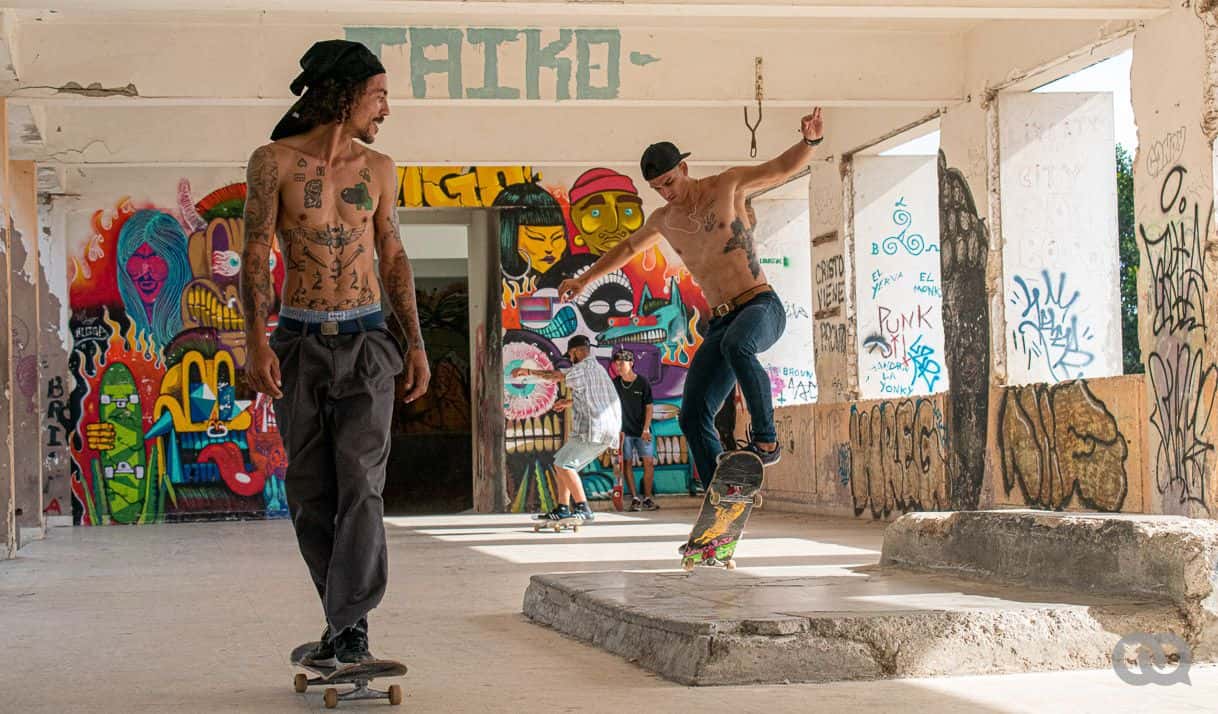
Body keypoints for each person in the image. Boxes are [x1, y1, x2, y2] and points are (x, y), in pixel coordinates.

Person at [239, 39, 429, 668]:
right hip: (298, 343)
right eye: (379, 96)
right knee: (310, 492)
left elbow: (394, 256)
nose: (386, 110)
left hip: (369, 341)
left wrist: (417, 345)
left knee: (363, 486)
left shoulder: (379, 167)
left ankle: (352, 630)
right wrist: (257, 342)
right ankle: (340, 623)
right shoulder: (273, 163)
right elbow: (254, 256)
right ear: (345, 96)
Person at [558, 108, 824, 490]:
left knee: (739, 345)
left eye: (669, 182)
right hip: (721, 322)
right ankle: (722, 489)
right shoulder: (663, 220)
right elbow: (627, 248)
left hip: (760, 305)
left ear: (683, 168)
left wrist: (810, 142)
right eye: (657, 189)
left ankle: (767, 439)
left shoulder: (726, 185)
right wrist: (584, 279)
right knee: (692, 412)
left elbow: (779, 168)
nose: (667, 193)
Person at [511, 335, 620, 522]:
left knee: (565, 465)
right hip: (605, 428)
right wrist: (568, 402)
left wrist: (526, 371)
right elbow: (596, 397)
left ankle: (583, 508)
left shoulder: (583, 368)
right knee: (561, 461)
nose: (570, 359)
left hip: (593, 429)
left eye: (570, 355)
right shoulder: (598, 370)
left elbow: (557, 376)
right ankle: (562, 508)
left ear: (576, 351)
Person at [610, 348, 658, 511]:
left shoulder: (642, 382)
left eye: (622, 363)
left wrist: (646, 429)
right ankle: (635, 498)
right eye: (617, 364)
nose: (619, 366)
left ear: (631, 363)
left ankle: (648, 498)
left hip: (642, 431)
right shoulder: (615, 384)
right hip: (624, 432)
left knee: (649, 463)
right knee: (627, 464)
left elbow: (649, 407)